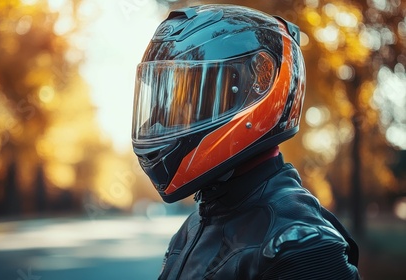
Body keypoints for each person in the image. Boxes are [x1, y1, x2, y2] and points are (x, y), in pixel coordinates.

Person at [131, 4, 361, 280]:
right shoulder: (196, 225)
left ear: (256, 90)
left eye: (191, 97)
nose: (164, 119)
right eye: (168, 103)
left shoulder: (300, 245)